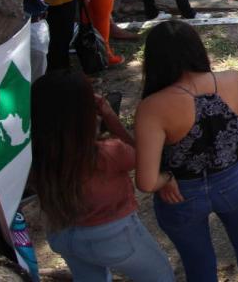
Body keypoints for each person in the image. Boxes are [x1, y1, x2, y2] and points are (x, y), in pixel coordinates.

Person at [134, 21, 238, 282]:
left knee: (198, 260)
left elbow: (146, 181)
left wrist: (166, 178)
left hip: (181, 194)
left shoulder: (152, 107)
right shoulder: (234, 80)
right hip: (233, 177)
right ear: (197, 49)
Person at [32, 72, 173, 281]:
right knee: (160, 275)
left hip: (61, 233)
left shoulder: (33, 154)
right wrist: (111, 118)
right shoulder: (108, 153)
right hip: (112, 236)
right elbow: (146, 158)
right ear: (86, 113)